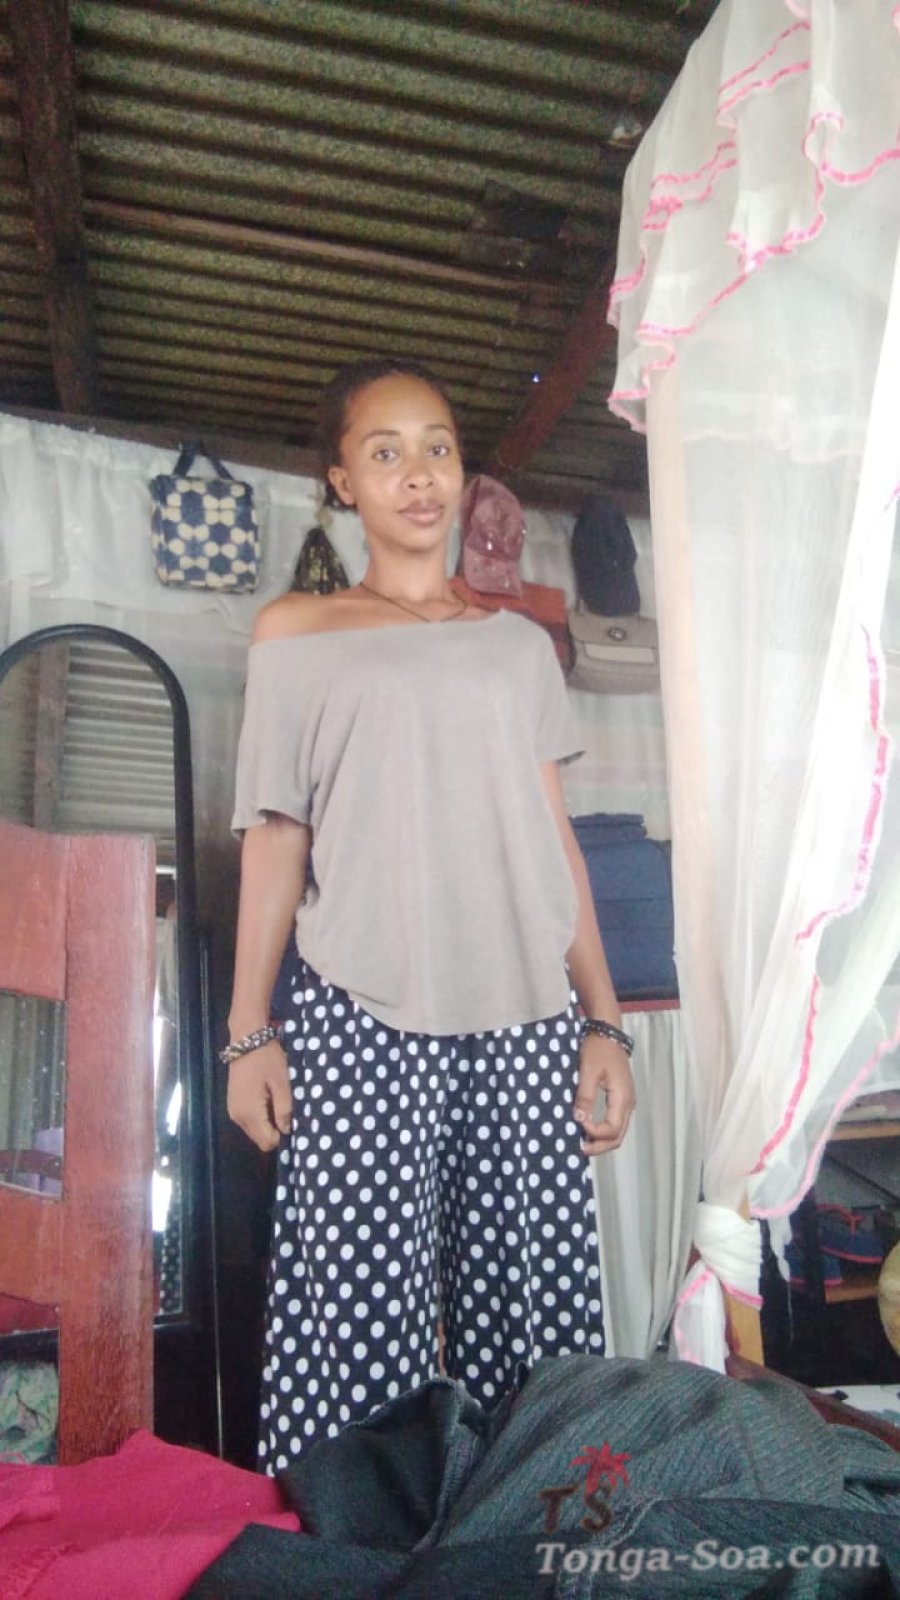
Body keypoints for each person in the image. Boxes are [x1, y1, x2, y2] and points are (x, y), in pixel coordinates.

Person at [225, 357, 635, 1472]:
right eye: (386, 451)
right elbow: (276, 833)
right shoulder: (296, 631)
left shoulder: (519, 648)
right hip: (361, 1012)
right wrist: (250, 1031)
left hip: (524, 1017)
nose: (419, 474)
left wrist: (603, 1019)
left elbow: (550, 841)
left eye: (439, 448)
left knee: (536, 1320)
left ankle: (527, 1534)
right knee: (354, 1319)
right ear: (341, 482)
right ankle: (353, 1545)